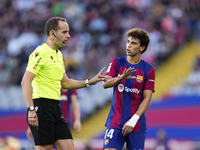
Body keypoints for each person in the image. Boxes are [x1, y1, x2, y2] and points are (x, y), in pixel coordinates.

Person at [21, 16, 107, 150]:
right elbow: (25, 82)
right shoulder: (40, 53)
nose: (68, 35)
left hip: (56, 107)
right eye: (64, 32)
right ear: (52, 33)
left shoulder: (59, 55)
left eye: (68, 32)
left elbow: (65, 83)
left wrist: (90, 82)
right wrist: (31, 110)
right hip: (41, 107)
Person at [102, 28, 155, 150]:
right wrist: (121, 77)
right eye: (128, 42)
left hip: (136, 124)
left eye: (133, 43)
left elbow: (147, 98)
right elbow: (105, 84)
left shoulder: (149, 69)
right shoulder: (117, 62)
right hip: (115, 122)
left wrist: (134, 120)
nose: (129, 45)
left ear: (142, 48)